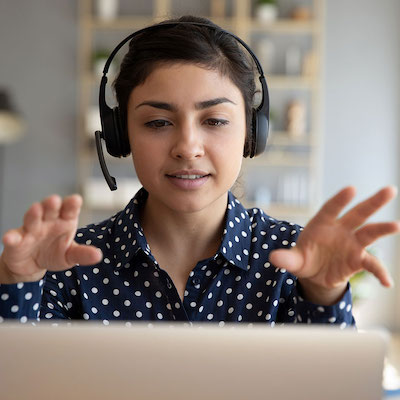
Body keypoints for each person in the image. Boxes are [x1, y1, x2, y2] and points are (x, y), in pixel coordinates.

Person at [0, 15, 399, 326]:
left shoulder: (296, 261)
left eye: (215, 121)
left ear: (252, 133)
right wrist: (17, 283)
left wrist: (324, 295)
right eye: (157, 122)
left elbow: (329, 390)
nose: (188, 148)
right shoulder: (66, 264)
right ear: (121, 136)